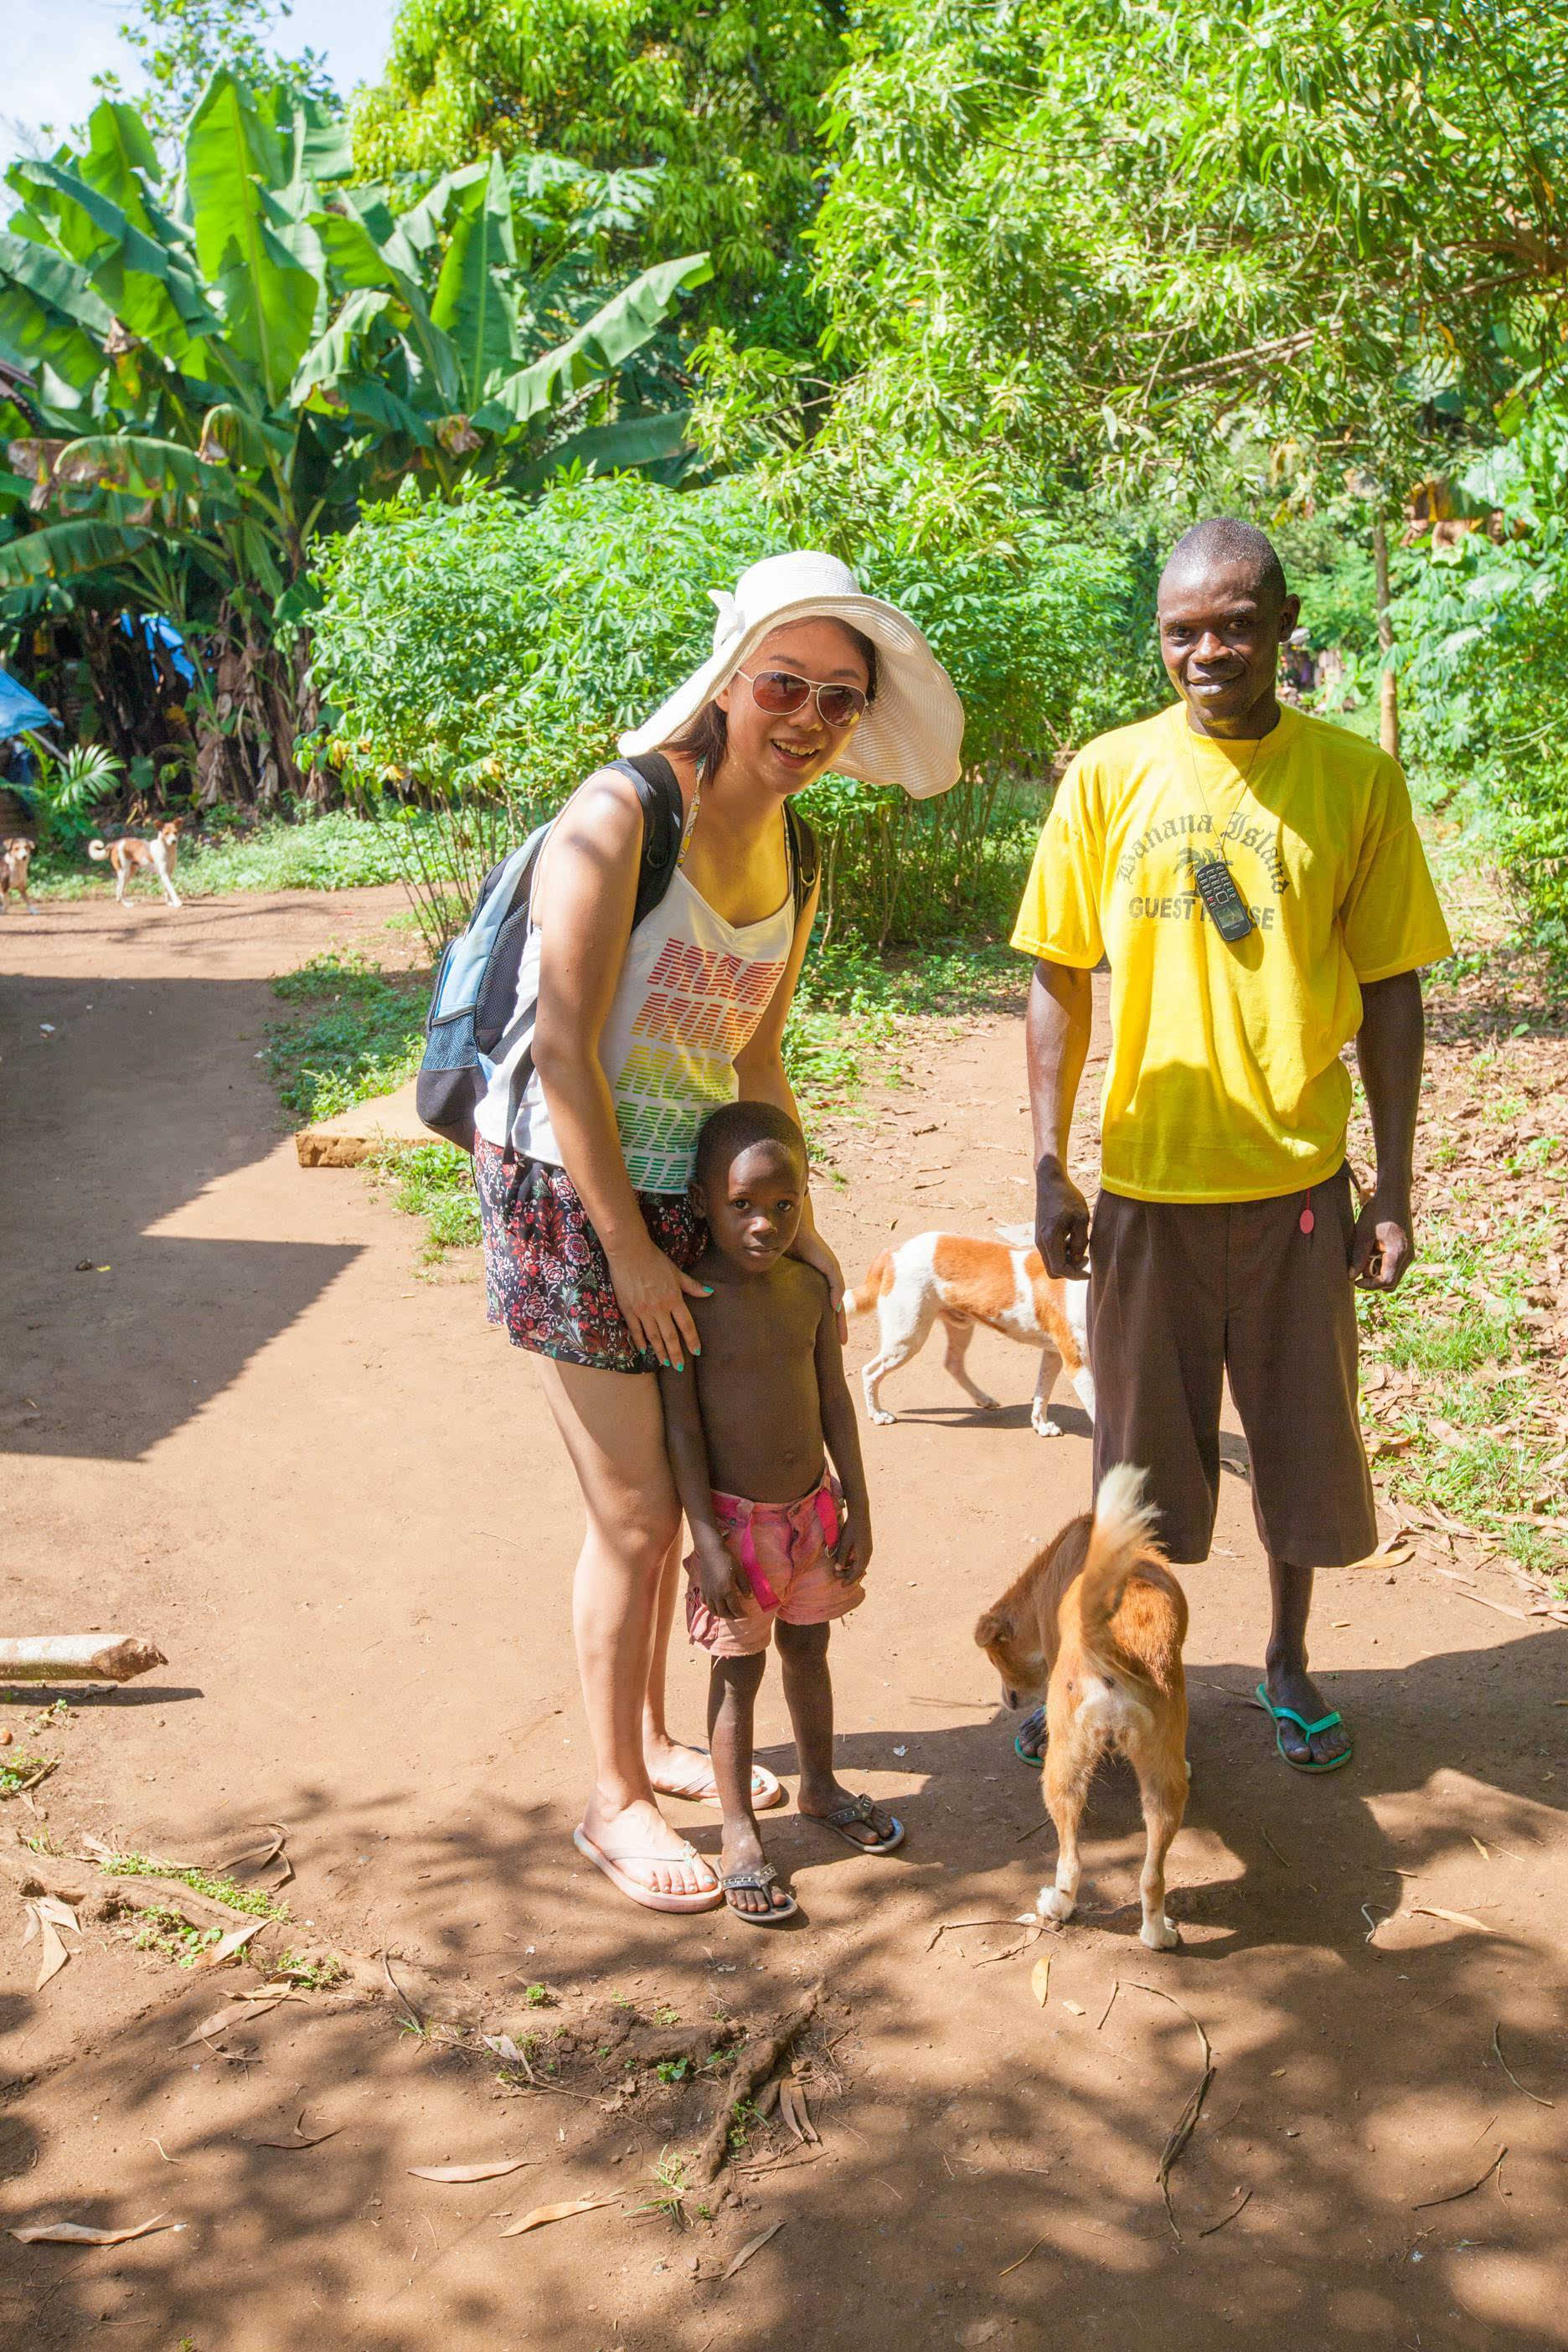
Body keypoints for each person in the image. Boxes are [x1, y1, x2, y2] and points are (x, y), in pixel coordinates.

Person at [472, 552, 962, 1911]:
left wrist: (800, 1218)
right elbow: (562, 1052)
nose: (807, 717)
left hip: (694, 1186)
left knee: (666, 1492)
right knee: (634, 1509)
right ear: (730, 682)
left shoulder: (797, 845)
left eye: (838, 699)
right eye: (784, 685)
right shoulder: (624, 811)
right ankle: (612, 1798)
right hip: (561, 1184)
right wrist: (626, 1246)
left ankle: (658, 1747)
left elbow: (753, 1049)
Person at [1012, 518, 1450, 1775]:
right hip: (1147, 1185)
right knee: (1133, 1468)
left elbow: (1394, 990)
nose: (1208, 651)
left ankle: (1291, 1661)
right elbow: (1057, 976)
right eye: (1182, 632)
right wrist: (1052, 1163)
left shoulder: (1353, 782)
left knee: (1303, 1448)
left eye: (1235, 626)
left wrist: (1395, 1184)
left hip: (1298, 1186)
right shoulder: (1107, 774)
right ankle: (1116, 1666)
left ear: (1285, 626)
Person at [658, 1100, 900, 1923]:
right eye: (743, 1205)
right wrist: (705, 1540)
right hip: (735, 1530)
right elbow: (683, 1431)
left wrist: (857, 1503)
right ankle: (735, 1830)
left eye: (784, 1205)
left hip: (812, 1516)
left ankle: (821, 1787)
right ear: (701, 1202)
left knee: (811, 1650)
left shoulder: (807, 1291)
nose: (764, 1224)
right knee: (738, 1672)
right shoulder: (691, 1302)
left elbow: (836, 1404)